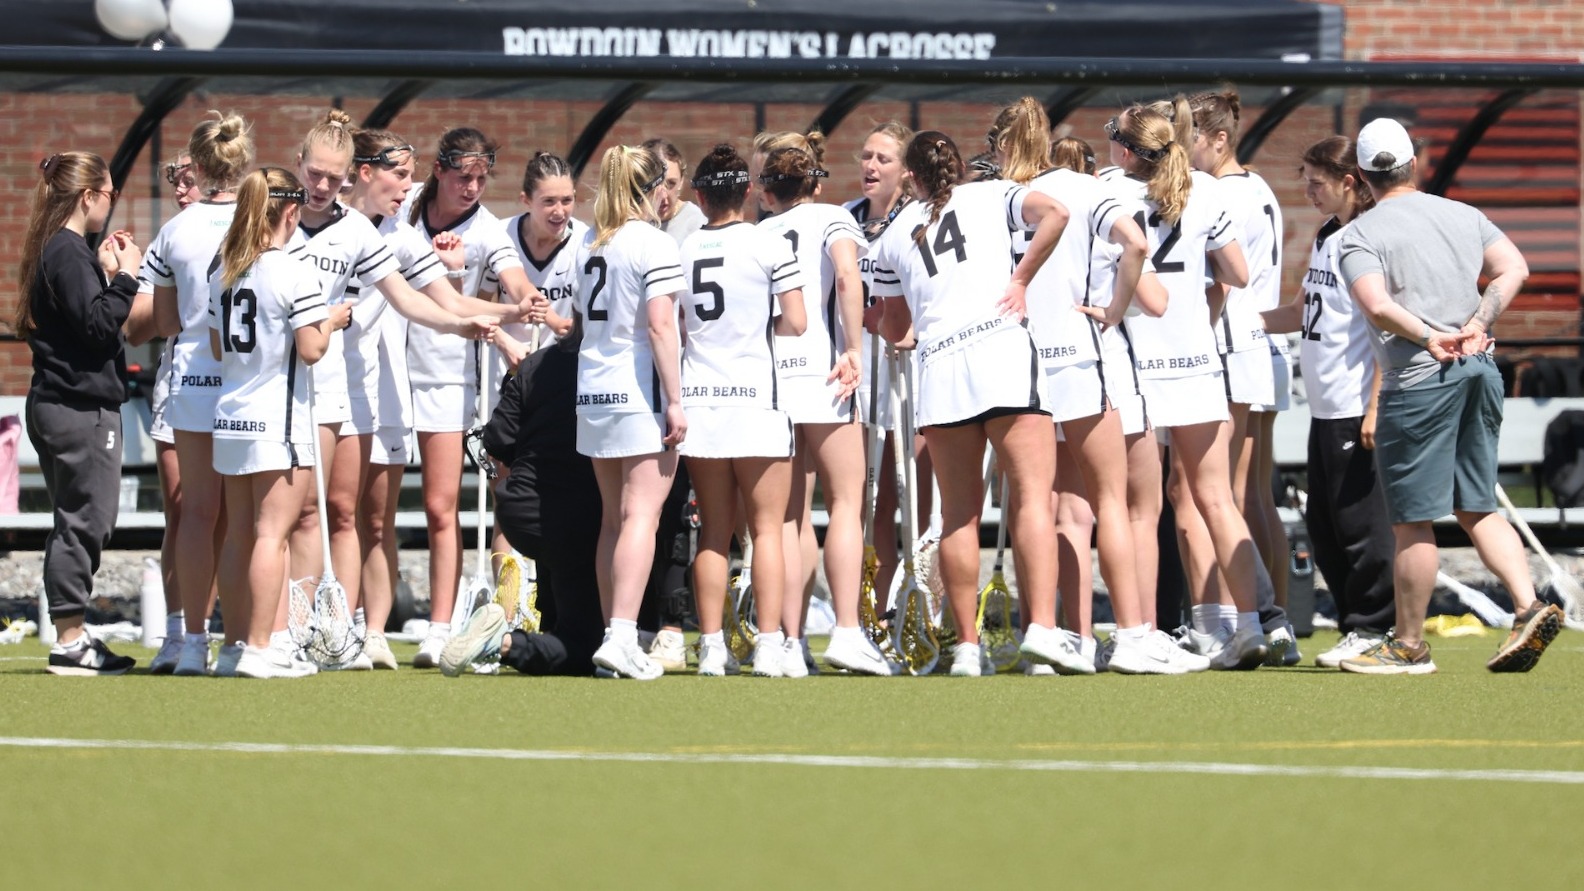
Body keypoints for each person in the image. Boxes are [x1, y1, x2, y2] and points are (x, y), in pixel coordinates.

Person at [1336, 117, 1564, 674]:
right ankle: (1528, 605)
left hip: (1419, 380)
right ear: (1415, 163)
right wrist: (1478, 321)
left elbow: (1376, 304)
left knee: (1413, 520)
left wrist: (1432, 335)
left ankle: (1409, 644)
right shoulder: (1463, 214)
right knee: (1477, 502)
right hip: (1479, 369)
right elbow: (1515, 267)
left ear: (1362, 176)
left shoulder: (1359, 234)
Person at [990, 98, 1198, 674]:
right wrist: (1113, 309)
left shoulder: (998, 199)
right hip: (1082, 361)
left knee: (1046, 508)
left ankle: (1058, 638)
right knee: (1110, 504)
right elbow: (1136, 244)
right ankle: (1133, 636)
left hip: (1021, 368)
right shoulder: (1085, 189)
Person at [871, 131, 1089, 678]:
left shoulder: (892, 236)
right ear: (959, 165)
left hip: (942, 368)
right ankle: (1041, 629)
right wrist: (1021, 279)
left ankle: (967, 645)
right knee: (1034, 500)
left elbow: (897, 328)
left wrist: (892, 331)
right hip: (1002, 351)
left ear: (910, 178)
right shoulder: (993, 194)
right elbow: (1057, 213)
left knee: (957, 516)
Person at [1103, 100, 1268, 670]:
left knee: (1139, 512)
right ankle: (1247, 625)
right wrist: (1205, 305)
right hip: (1197, 361)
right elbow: (1238, 274)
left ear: (1126, 149)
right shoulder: (1205, 189)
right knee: (1217, 500)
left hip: (1138, 367)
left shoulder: (1110, 191)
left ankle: (1143, 632)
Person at [337, 127, 504, 667]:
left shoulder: (397, 234)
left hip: (374, 388)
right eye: (399, 175)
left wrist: (500, 317)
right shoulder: (316, 225)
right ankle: (321, 625)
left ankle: (372, 632)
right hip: (312, 387)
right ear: (365, 173)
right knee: (325, 513)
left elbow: (428, 301)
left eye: (411, 175)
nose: (407, 187)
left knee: (373, 518)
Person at [404, 126, 542, 668]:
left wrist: (526, 302)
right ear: (438, 171)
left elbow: (515, 280)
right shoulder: (405, 213)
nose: (473, 187)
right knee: (364, 510)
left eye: (482, 178)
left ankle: (441, 625)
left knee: (441, 506)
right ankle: (363, 624)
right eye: (464, 177)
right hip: (385, 371)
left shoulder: (486, 232)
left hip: (446, 376)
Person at [208, 167, 350, 679]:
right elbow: (312, 349)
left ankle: (233, 646)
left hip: (231, 416)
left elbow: (217, 346)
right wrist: (331, 320)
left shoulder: (222, 269)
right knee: (273, 535)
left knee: (238, 536)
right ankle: (263, 648)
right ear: (290, 211)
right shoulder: (290, 270)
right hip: (277, 420)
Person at [1260, 135, 1396, 668]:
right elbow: (1300, 310)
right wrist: (1229, 322)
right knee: (1324, 524)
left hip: (1353, 406)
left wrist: (1376, 405)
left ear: (1348, 182)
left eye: (1317, 182)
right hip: (1324, 407)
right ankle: (1354, 624)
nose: (1309, 191)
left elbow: (1385, 327)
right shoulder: (1328, 234)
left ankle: (1375, 626)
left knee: (1362, 526)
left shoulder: (1365, 239)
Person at [674, 144, 808, 676]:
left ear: (700, 196)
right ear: (748, 192)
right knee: (768, 529)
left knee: (712, 530)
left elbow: (674, 326)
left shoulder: (680, 250)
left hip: (701, 397)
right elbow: (796, 321)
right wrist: (755, 330)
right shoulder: (769, 242)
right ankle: (770, 644)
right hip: (757, 398)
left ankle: (710, 646)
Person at [17, 151, 142, 675]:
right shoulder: (67, 251)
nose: (111, 204)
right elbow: (98, 328)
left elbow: (87, 318)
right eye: (109, 194)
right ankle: (70, 639)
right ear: (87, 195)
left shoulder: (66, 251)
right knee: (85, 521)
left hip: (63, 403)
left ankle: (74, 632)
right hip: (77, 407)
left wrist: (109, 275)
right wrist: (127, 278)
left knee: (83, 519)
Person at [1188, 86, 1298, 664]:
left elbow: (1223, 279)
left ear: (1220, 139)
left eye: (1191, 139)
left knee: (1229, 495)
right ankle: (1277, 619)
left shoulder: (1222, 192)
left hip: (1233, 346)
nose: (1183, 152)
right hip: (1262, 347)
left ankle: (1251, 617)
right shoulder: (1259, 187)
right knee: (1255, 496)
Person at [753, 131, 868, 676]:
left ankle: (787, 642)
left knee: (786, 516)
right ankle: (846, 629)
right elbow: (847, 275)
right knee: (845, 500)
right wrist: (853, 347)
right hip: (826, 372)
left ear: (768, 190)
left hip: (776, 377)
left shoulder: (760, 231)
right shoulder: (832, 218)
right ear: (815, 181)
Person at [574, 144, 687, 680]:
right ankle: (622, 635)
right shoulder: (654, 244)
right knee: (641, 514)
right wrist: (676, 400)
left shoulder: (592, 245)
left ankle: (612, 636)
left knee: (611, 521)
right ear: (654, 188)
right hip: (636, 390)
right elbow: (662, 326)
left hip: (593, 388)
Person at [439, 317, 607, 678]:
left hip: (521, 507)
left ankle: (536, 630)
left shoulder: (534, 363)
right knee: (587, 651)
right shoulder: (612, 364)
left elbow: (497, 438)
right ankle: (501, 641)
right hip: (577, 517)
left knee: (563, 611)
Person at [147, 112, 255, 676]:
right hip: (247, 384)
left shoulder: (177, 229)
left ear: (200, 163)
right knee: (243, 519)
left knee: (195, 514)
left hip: (192, 380)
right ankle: (241, 641)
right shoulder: (261, 222)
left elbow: (163, 320)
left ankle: (191, 642)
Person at [842, 120, 921, 612]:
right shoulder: (845, 217)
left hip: (908, 372)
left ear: (906, 171)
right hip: (858, 373)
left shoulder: (918, 219)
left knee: (910, 494)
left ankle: (918, 608)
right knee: (868, 503)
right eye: (866, 156)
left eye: (883, 159)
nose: (871, 167)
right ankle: (870, 609)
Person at [643, 137, 707, 243]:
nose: (663, 196)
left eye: (671, 183)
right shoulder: (631, 226)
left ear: (681, 181)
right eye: (655, 184)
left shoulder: (698, 224)